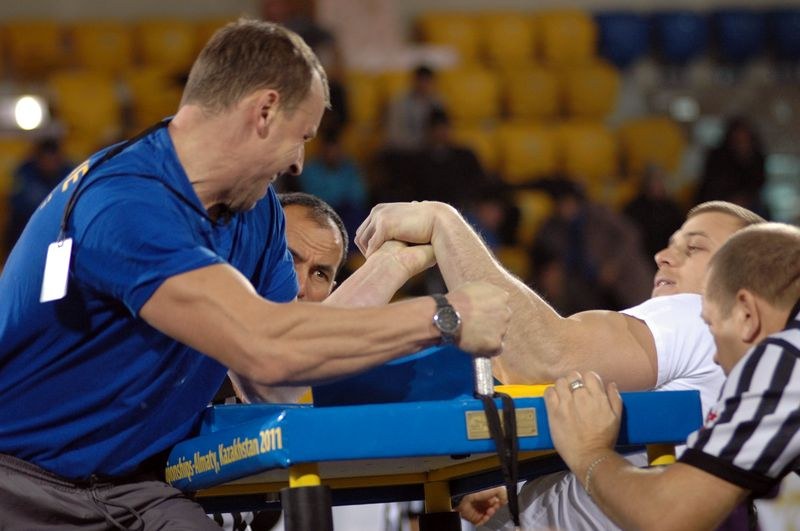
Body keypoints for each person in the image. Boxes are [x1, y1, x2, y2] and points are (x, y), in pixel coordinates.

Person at [0, 20, 510, 529]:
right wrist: (445, 315)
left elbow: (280, 375)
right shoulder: (125, 205)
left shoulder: (258, 212)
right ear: (264, 112)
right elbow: (264, 344)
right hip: (20, 483)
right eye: (301, 136)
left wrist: (395, 264)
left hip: (133, 488)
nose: (298, 163)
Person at [354, 199, 764, 529]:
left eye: (693, 248)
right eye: (672, 244)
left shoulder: (701, 315)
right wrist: (537, 483)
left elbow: (547, 359)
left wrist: (441, 221)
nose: (661, 257)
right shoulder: (733, 369)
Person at [543, 222, 800, 530]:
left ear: (746, 313)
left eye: (713, 328)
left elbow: (667, 517)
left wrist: (589, 452)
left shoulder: (785, 359)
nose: (716, 355)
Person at [3, 137, 73, 255]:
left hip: (59, 228)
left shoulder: (71, 173)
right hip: (27, 227)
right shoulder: (25, 172)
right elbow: (16, 202)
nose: (49, 164)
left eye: (53, 160)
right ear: (38, 159)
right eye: (46, 159)